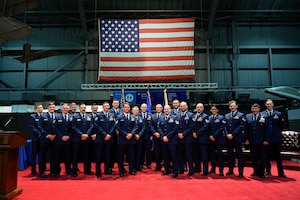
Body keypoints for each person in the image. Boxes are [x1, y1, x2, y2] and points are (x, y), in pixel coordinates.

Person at [262, 99, 286, 177]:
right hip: (267, 138)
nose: (269, 105)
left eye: (270, 104)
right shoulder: (262, 114)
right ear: (265, 105)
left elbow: (281, 126)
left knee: (278, 156)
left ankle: (281, 172)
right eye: (267, 104)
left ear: (273, 104)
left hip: (276, 138)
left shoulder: (278, 114)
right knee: (267, 156)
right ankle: (268, 171)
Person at [245, 103, 269, 178]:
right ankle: (255, 171)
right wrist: (246, 139)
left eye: (256, 109)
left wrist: (266, 139)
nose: (254, 110)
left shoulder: (264, 116)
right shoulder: (248, 116)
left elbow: (268, 129)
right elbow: (246, 129)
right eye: (253, 108)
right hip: (252, 141)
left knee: (262, 157)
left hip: (261, 141)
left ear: (259, 109)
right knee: (253, 157)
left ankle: (262, 172)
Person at [224, 100, 246, 178]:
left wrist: (233, 134)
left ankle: (240, 172)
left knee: (239, 155)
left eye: (233, 105)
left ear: (237, 106)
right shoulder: (226, 115)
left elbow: (241, 126)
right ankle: (230, 170)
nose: (232, 107)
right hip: (228, 139)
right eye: (231, 106)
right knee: (229, 155)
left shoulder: (241, 115)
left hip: (237, 138)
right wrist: (227, 134)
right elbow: (225, 126)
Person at [94, 101, 116, 178]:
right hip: (100, 139)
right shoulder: (98, 115)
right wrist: (105, 135)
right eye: (105, 106)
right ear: (103, 107)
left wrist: (109, 134)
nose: (106, 107)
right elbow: (97, 127)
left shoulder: (112, 115)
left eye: (108, 106)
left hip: (109, 139)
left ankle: (107, 170)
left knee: (108, 156)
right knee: (99, 156)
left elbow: (113, 126)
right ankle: (98, 172)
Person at [157, 105, 179, 178]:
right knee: (165, 156)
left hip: (172, 140)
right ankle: (167, 169)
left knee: (174, 156)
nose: (166, 110)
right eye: (165, 109)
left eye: (168, 109)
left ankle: (175, 171)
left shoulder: (175, 117)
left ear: (170, 109)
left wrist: (168, 136)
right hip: (163, 140)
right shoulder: (161, 117)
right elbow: (159, 128)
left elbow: (175, 128)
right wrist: (163, 136)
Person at [115, 102, 137, 177]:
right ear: (123, 108)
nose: (127, 108)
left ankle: (132, 170)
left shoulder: (132, 117)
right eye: (125, 107)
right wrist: (125, 134)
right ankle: (121, 171)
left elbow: (135, 127)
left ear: (129, 108)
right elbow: (118, 127)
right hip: (122, 139)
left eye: (128, 107)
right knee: (120, 156)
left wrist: (131, 134)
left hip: (131, 139)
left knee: (131, 156)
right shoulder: (119, 117)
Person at [72, 103, 93, 177]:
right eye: (82, 107)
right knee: (75, 156)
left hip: (87, 139)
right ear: (79, 108)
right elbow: (74, 127)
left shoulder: (89, 116)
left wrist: (87, 134)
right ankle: (74, 171)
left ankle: (87, 170)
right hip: (77, 139)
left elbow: (91, 126)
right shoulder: (75, 116)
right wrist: (81, 135)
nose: (83, 109)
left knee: (87, 156)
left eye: (84, 107)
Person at [53, 103, 73, 177]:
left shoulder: (71, 117)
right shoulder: (57, 117)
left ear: (69, 109)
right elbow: (55, 128)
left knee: (68, 157)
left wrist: (68, 136)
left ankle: (68, 170)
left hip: (68, 140)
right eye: (64, 108)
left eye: (67, 108)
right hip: (59, 140)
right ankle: (57, 172)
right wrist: (61, 136)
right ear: (62, 109)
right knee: (57, 157)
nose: (65, 109)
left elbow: (73, 128)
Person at [38, 102, 57, 178]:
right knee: (42, 156)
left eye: (53, 107)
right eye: (51, 107)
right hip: (44, 139)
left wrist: (55, 135)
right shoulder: (43, 116)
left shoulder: (57, 116)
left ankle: (53, 170)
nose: (52, 108)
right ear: (48, 108)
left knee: (53, 156)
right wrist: (47, 135)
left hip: (54, 139)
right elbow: (39, 127)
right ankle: (41, 171)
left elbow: (58, 127)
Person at [177, 101, 195, 176]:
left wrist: (183, 134)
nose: (182, 107)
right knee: (180, 155)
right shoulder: (177, 115)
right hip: (179, 138)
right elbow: (175, 126)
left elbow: (191, 127)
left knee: (189, 155)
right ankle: (181, 169)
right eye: (181, 106)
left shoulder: (191, 115)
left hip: (187, 138)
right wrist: (178, 133)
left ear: (187, 106)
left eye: (184, 106)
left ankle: (191, 170)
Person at [208, 104, 226, 176]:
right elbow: (207, 128)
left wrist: (214, 136)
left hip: (218, 139)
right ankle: (213, 168)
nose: (213, 110)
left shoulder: (222, 117)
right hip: (210, 140)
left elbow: (221, 128)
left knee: (219, 155)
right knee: (212, 155)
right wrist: (210, 136)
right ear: (210, 110)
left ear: (217, 110)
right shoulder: (208, 118)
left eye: (215, 109)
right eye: (212, 109)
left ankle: (221, 170)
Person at [192, 103, 210, 176]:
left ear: (203, 108)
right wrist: (193, 132)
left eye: (200, 107)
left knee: (204, 155)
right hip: (195, 139)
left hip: (203, 139)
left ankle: (205, 171)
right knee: (196, 155)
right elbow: (192, 125)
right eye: (198, 107)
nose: (199, 108)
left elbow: (205, 127)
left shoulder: (205, 116)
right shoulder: (194, 116)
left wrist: (197, 134)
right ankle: (197, 168)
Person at [29, 103, 43, 175]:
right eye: (39, 108)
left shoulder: (44, 116)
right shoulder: (33, 116)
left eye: (41, 107)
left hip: (42, 140)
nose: (41, 109)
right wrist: (39, 133)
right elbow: (32, 127)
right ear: (36, 109)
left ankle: (42, 168)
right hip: (35, 139)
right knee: (34, 155)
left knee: (42, 155)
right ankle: (33, 170)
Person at [139, 103, 154, 169]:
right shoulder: (138, 115)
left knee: (148, 151)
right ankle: (141, 164)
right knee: (141, 150)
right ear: (141, 108)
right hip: (140, 136)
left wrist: (152, 135)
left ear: (147, 108)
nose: (144, 108)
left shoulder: (150, 115)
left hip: (148, 136)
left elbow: (152, 126)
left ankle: (148, 164)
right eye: (143, 107)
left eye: (145, 107)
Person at [132, 106, 145, 171]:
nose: (136, 112)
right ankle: (132, 166)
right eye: (134, 110)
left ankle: (138, 166)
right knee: (132, 153)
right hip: (132, 139)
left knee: (139, 153)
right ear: (132, 111)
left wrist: (139, 135)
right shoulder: (130, 118)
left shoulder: (141, 118)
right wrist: (134, 135)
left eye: (137, 110)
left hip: (139, 138)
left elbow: (143, 128)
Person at [151, 104, 163, 171]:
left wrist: (161, 134)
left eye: (159, 107)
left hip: (163, 137)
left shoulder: (165, 115)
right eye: (157, 108)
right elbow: (151, 126)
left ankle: (166, 165)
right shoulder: (153, 116)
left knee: (164, 152)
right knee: (157, 152)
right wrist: (155, 133)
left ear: (162, 108)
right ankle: (158, 165)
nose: (158, 109)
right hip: (156, 136)